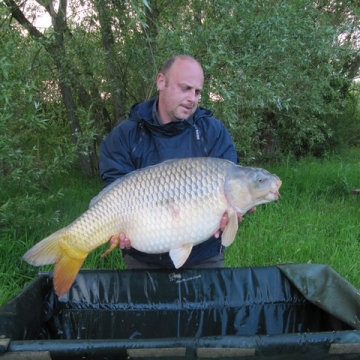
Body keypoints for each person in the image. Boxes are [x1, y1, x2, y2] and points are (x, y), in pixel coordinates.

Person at [99, 54, 248, 269]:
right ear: (161, 82)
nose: (193, 98)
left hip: (204, 256)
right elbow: (114, 193)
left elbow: (232, 190)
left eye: (197, 92)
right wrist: (120, 230)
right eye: (185, 88)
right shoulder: (126, 136)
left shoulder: (213, 132)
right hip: (143, 256)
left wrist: (232, 216)